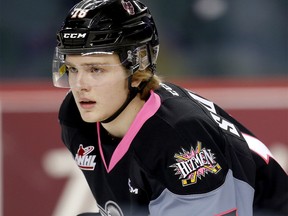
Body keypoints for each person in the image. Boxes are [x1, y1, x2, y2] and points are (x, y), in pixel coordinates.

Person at [52, 0, 288, 215]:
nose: (80, 85)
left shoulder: (179, 134)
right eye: (73, 69)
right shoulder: (75, 117)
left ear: (137, 70)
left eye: (96, 70)